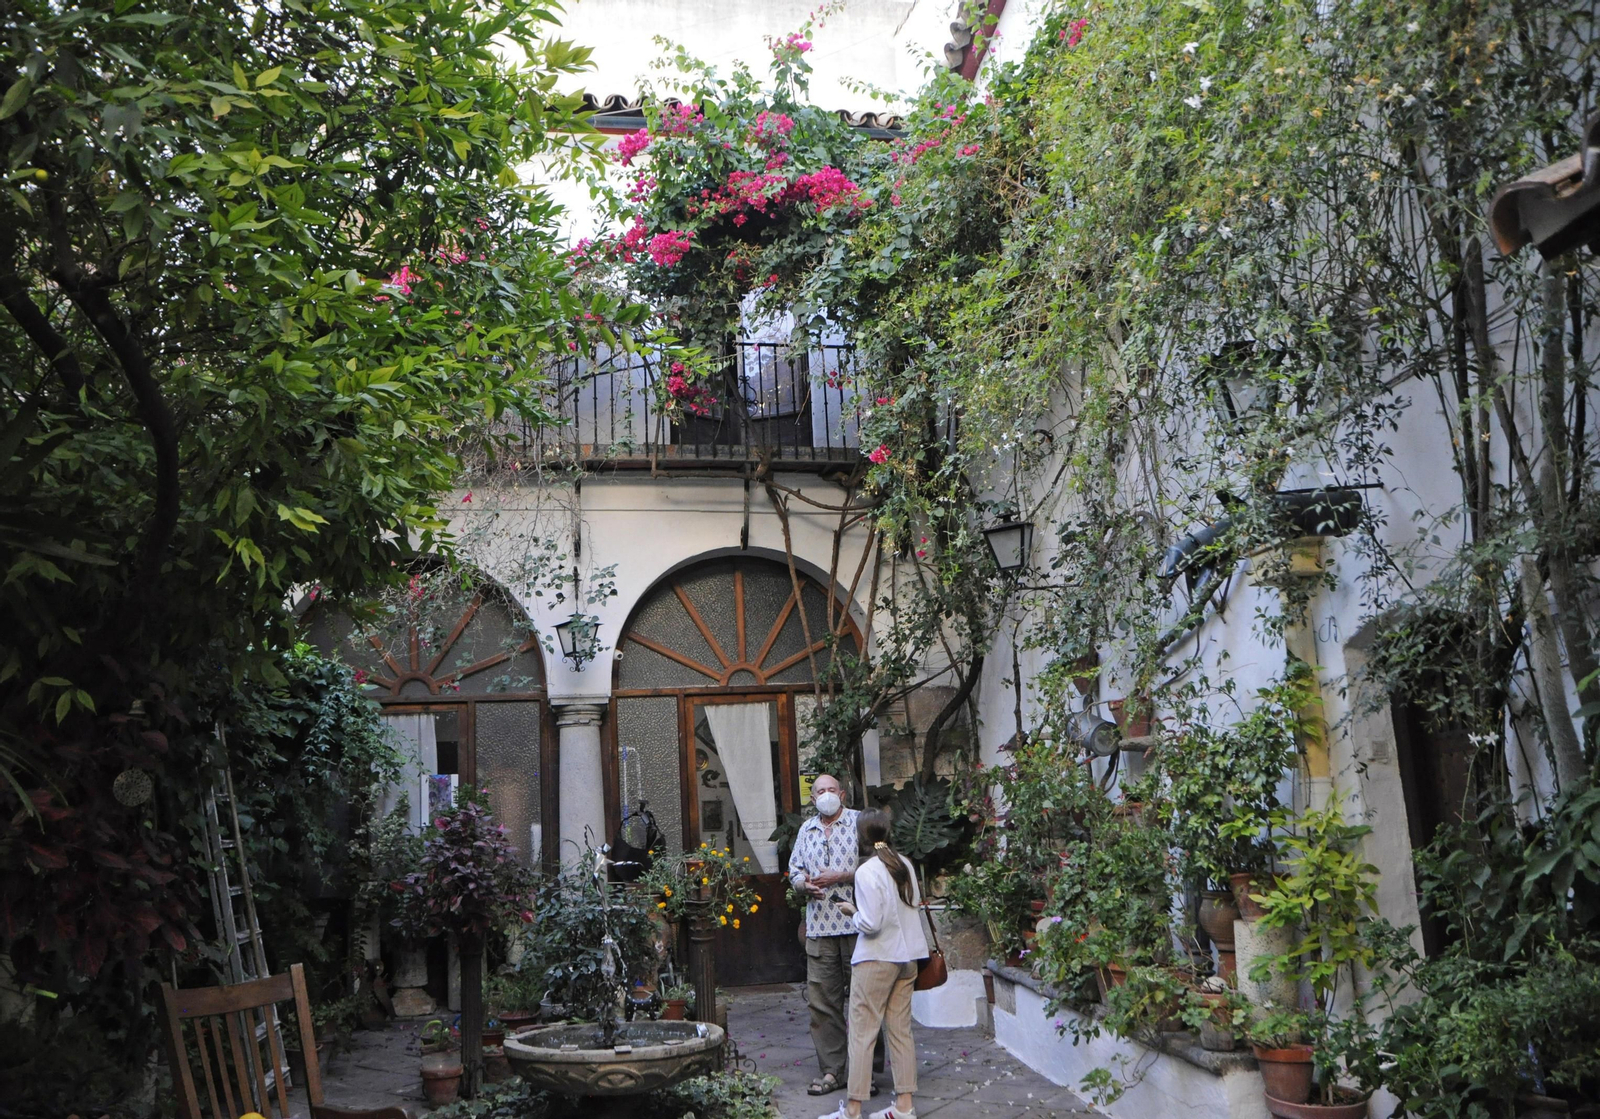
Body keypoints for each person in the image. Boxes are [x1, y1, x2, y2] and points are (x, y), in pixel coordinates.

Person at [824, 808, 926, 1119]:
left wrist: (850, 912)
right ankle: (904, 1106)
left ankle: (853, 1110)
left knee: (862, 1033)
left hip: (877, 958)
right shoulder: (904, 864)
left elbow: (870, 923)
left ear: (860, 836)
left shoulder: (867, 871)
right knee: (901, 1032)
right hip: (908, 957)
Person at [787, 774, 863, 1097]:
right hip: (819, 928)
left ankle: (864, 1072)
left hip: (859, 927)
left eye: (832, 789)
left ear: (842, 794)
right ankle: (833, 1071)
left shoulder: (860, 822)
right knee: (822, 1005)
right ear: (813, 798)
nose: (827, 794)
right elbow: (794, 870)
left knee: (864, 1003)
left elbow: (881, 863)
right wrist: (803, 884)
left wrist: (842, 875)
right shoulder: (806, 829)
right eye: (821, 791)